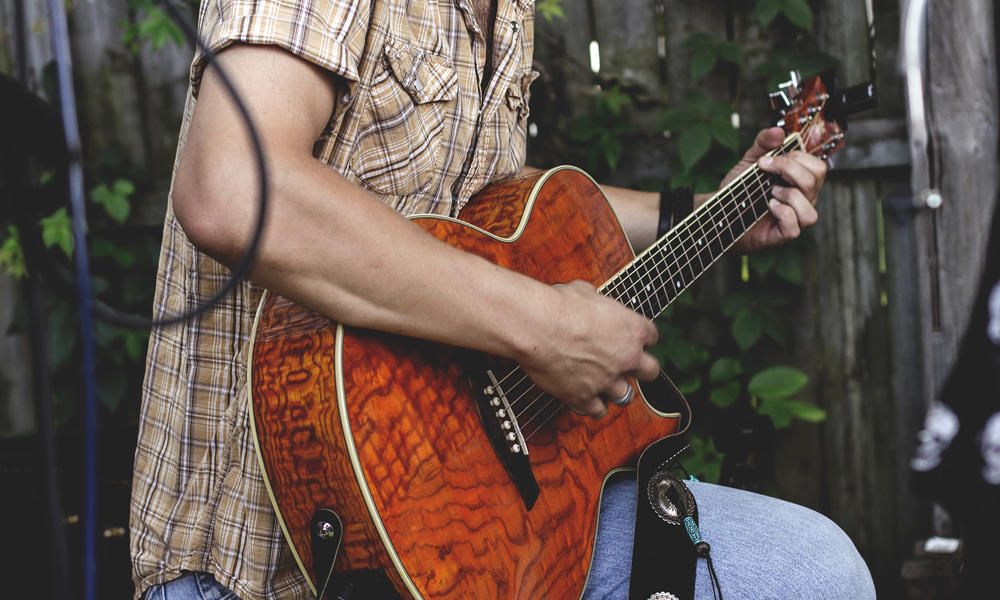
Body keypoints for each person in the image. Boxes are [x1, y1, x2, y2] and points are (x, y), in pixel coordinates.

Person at [130, 0, 876, 599]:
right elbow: (233, 189)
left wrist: (713, 208)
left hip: (484, 508)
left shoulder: (506, 13)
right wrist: (543, 328)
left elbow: (497, 224)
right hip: (263, 556)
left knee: (815, 573)